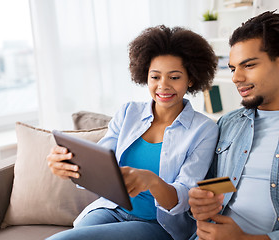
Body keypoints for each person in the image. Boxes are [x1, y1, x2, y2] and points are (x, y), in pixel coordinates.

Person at [46, 25, 219, 240]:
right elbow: (100, 166)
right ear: (145, 76)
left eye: (174, 77)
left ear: (191, 79)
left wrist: (151, 180)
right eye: (155, 77)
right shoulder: (129, 113)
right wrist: (70, 165)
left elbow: (183, 198)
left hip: (157, 224)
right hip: (112, 210)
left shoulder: (204, 129)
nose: (163, 86)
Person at [188, 11, 279, 240]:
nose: (236, 77)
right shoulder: (230, 123)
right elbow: (223, 184)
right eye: (234, 68)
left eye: (248, 65)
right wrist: (201, 201)